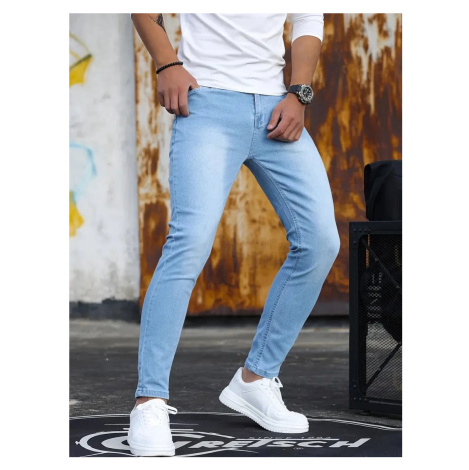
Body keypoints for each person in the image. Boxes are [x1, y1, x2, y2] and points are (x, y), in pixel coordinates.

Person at [127, 13, 340, 457]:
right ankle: (149, 401)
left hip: (277, 106)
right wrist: (167, 63)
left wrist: (298, 93)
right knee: (189, 243)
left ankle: (256, 379)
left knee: (321, 242)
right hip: (208, 104)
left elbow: (307, 19)